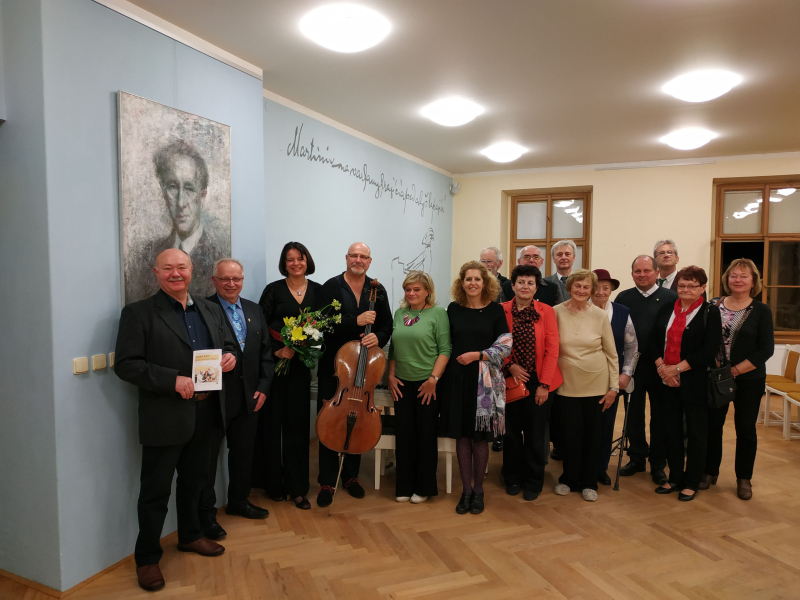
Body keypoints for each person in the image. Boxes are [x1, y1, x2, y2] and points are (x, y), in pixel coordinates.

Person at [114, 248, 237, 591]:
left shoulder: (210, 309)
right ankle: (147, 558)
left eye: (181, 267)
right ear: (156, 273)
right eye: (167, 268)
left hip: (207, 411)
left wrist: (229, 357)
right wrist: (172, 380)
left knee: (196, 482)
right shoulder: (138, 313)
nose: (176, 273)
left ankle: (191, 535)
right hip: (165, 415)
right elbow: (126, 364)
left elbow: (226, 344)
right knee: (155, 491)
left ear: (191, 269)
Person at [198, 259, 274, 541]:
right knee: (207, 461)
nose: (231, 284)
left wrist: (264, 387)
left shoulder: (253, 309)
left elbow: (266, 353)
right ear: (214, 281)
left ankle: (239, 501)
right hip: (214, 400)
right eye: (225, 279)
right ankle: (206, 516)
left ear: (242, 280)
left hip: (250, 397)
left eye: (236, 279)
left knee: (243, 453)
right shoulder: (202, 309)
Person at [316, 242, 392, 507]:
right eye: (354, 255)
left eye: (363, 256)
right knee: (329, 422)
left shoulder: (377, 289)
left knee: (359, 419)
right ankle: (327, 481)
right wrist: (354, 322)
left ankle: (351, 477)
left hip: (365, 368)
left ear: (369, 261)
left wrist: (378, 337)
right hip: (335, 369)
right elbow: (321, 323)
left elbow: (387, 325)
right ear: (347, 258)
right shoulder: (331, 286)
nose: (358, 260)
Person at [256, 242, 327, 510]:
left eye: (300, 258)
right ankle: (274, 484)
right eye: (290, 259)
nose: (296, 263)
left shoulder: (318, 291)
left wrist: (307, 346)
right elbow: (260, 327)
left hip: (300, 369)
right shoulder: (273, 290)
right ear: (283, 264)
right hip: (275, 367)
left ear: (307, 261)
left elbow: (323, 328)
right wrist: (277, 350)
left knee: (298, 428)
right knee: (273, 426)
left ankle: (298, 489)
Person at [441, 261, 511, 515]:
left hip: (484, 384)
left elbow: (505, 345)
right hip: (457, 381)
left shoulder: (495, 310)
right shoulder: (453, 309)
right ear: (461, 283)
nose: (472, 283)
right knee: (462, 437)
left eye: (477, 279)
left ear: (485, 282)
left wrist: (477, 355)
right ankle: (466, 491)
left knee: (480, 439)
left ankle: (479, 491)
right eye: (468, 279)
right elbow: (444, 342)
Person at [703, 259, 774, 500]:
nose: (738, 280)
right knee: (713, 426)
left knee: (745, 429)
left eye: (744, 276)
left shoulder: (761, 310)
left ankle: (744, 478)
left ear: (753, 281)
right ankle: (709, 471)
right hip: (715, 377)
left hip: (749, 379)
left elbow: (766, 349)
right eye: (734, 275)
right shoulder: (713, 305)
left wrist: (735, 371)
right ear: (727, 279)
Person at [650, 266, 721, 501]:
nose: (686, 289)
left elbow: (708, 350)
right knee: (671, 431)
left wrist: (677, 368)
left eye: (692, 285)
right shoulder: (666, 309)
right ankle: (675, 477)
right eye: (681, 285)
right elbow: (653, 341)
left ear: (703, 288)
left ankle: (691, 481)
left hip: (695, 381)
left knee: (696, 433)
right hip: (666, 380)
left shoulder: (710, 312)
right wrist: (662, 368)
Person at [127, 141, 227, 304]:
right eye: (173, 187)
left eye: (189, 188)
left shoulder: (219, 259)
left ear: (202, 195)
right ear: (163, 192)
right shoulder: (145, 258)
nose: (181, 203)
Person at [552, 269, 619, 502]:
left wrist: (613, 387)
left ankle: (589, 482)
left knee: (593, 435)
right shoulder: (555, 312)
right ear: (569, 287)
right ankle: (568, 479)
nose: (581, 290)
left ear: (592, 291)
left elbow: (612, 354)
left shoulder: (600, 315)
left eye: (586, 287)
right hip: (566, 384)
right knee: (569, 434)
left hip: (597, 384)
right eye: (577, 286)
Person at [387, 271, 451, 504]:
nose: (411, 293)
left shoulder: (438, 313)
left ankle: (424, 487)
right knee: (404, 435)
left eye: (417, 289)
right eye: (408, 289)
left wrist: (433, 379)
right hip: (401, 383)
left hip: (427, 383)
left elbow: (445, 349)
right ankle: (404, 485)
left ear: (427, 291)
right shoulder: (399, 313)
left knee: (425, 435)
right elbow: (393, 349)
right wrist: (391, 376)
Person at [500, 265, 563, 501]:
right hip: (510, 378)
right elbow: (496, 344)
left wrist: (544, 385)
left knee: (536, 434)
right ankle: (512, 477)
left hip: (539, 381)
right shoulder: (501, 310)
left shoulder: (547, 311)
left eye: (530, 283)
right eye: (521, 282)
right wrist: (509, 365)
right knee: (511, 433)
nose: (525, 286)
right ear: (513, 285)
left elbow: (552, 349)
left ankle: (534, 480)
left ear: (536, 288)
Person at [614, 255, 678, 484]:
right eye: (638, 271)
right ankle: (637, 457)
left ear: (657, 272)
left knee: (659, 417)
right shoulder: (624, 297)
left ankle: (658, 462)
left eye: (647, 270)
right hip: (632, 368)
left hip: (662, 368)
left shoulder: (671, 298)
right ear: (632, 274)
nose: (642, 275)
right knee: (633, 414)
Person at [591, 269, 638, 486]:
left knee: (605, 423)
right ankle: (580, 466)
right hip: (584, 377)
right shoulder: (580, 310)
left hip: (612, 379)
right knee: (581, 423)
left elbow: (632, 346)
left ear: (611, 290)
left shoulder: (622, 312)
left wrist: (626, 373)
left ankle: (600, 467)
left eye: (606, 287)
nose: (600, 291)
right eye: (596, 287)